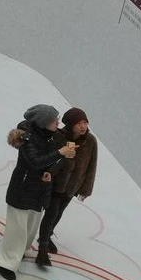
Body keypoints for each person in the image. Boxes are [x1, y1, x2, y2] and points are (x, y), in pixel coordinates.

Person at [0, 104, 74, 280]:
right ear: (43, 122)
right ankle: (5, 263)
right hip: (22, 189)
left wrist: (50, 171)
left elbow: (47, 162)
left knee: (30, 226)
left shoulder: (48, 136)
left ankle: (20, 251)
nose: (58, 122)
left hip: (39, 188)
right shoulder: (27, 138)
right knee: (17, 229)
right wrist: (60, 153)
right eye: (54, 119)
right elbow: (35, 161)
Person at [37, 107, 97, 271]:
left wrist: (85, 189)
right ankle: (42, 248)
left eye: (85, 122)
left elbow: (91, 166)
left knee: (59, 213)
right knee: (51, 213)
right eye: (79, 123)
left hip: (72, 186)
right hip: (56, 184)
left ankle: (47, 236)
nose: (83, 126)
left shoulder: (90, 141)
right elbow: (49, 158)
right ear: (70, 125)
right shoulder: (58, 136)